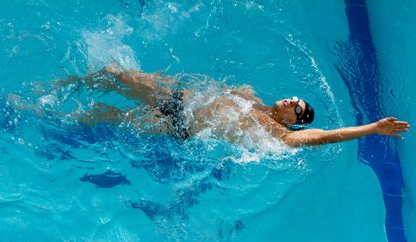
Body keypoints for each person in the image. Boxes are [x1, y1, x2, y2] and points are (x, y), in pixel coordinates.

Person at [57, 64, 410, 147]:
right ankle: (60, 86)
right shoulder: (249, 96)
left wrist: (373, 128)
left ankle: (43, 114)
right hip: (180, 101)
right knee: (114, 72)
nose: (291, 101)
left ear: (293, 121)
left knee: (104, 115)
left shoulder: (277, 135)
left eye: (297, 108)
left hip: (178, 127)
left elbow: (324, 136)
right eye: (295, 98)